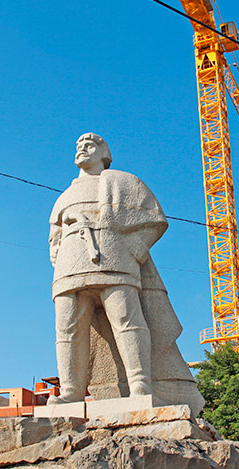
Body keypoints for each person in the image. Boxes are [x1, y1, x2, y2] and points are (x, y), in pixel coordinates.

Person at [48, 133, 167, 404]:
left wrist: (133, 250)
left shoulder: (123, 182)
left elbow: (154, 220)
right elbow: (54, 236)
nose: (81, 150)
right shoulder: (65, 196)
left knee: (127, 319)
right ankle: (71, 391)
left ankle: (140, 383)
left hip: (114, 258)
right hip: (70, 264)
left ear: (104, 152)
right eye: (78, 146)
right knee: (66, 328)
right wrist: (59, 255)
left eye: (88, 146)